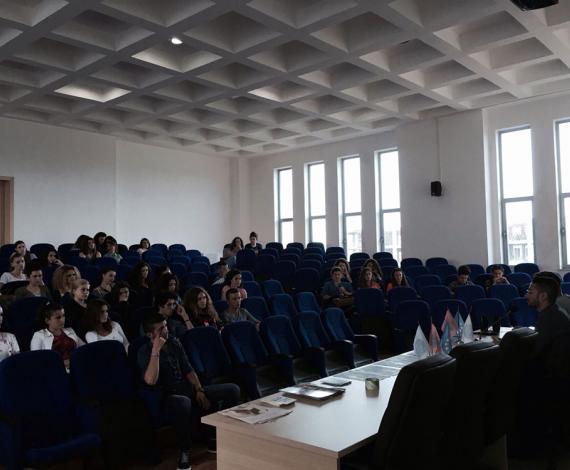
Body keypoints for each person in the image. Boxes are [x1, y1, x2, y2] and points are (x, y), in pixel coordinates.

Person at [137, 312, 240, 468]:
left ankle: (217, 435)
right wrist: (156, 350)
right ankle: (184, 450)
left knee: (232, 390)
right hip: (167, 396)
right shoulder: (144, 351)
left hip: (187, 388)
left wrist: (199, 390)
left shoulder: (174, 343)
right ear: (150, 334)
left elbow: (188, 369)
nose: (166, 330)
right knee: (183, 402)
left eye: (166, 326)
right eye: (161, 329)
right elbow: (151, 380)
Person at [526, 275, 570, 373]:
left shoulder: (550, 318)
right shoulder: (554, 311)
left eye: (530, 292)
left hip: (553, 375)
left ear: (543, 296)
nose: (526, 296)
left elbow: (537, 355)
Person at [31, 301, 84, 369]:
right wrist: (64, 363)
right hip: (54, 370)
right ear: (47, 321)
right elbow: (35, 360)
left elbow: (83, 348)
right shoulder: (39, 335)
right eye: (58, 317)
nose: (62, 320)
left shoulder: (70, 330)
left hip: (76, 367)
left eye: (63, 315)